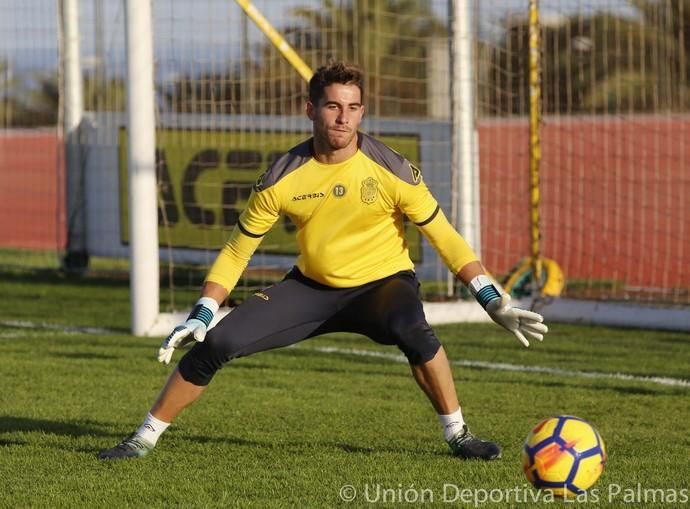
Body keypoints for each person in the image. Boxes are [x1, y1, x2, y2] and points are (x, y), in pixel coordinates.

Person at [98, 61, 547, 461]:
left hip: (383, 285)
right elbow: (238, 250)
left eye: (353, 107)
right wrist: (203, 310)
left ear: (363, 112)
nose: (343, 117)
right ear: (309, 109)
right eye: (332, 106)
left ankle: (459, 434)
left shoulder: (390, 169)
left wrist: (489, 297)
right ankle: (143, 438)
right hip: (311, 289)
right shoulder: (280, 179)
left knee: (412, 330)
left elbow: (444, 236)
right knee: (216, 343)